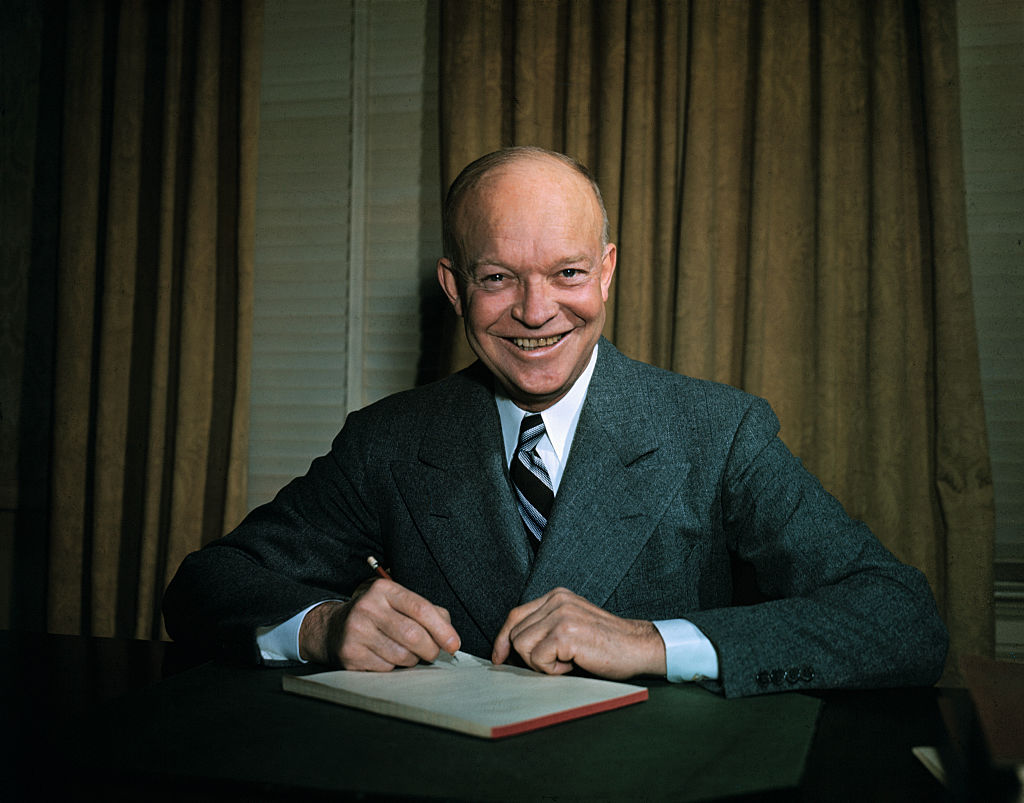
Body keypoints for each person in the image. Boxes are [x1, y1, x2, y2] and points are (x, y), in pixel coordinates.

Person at [163, 146, 948, 697]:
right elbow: (204, 588)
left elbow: (900, 618)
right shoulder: (389, 440)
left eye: (567, 273)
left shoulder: (720, 430)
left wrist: (650, 642)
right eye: (499, 278)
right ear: (453, 286)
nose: (537, 313)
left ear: (607, 270)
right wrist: (324, 626)